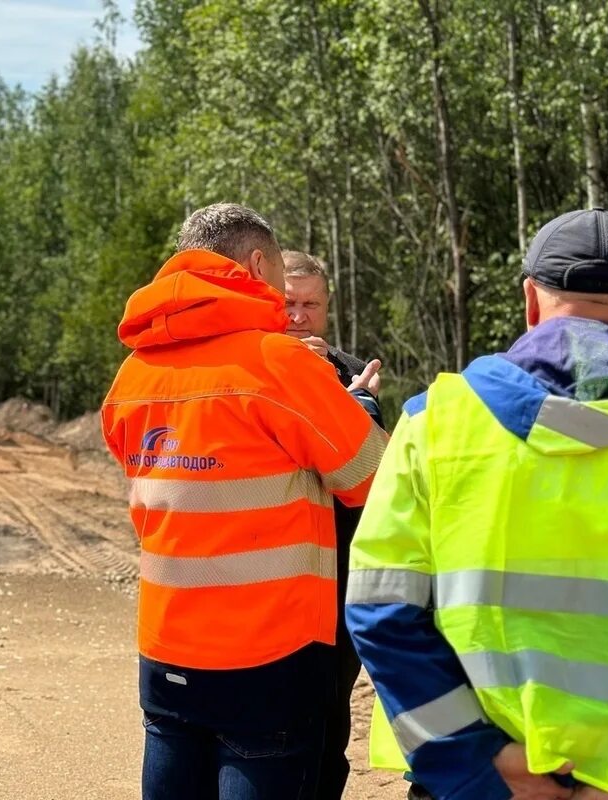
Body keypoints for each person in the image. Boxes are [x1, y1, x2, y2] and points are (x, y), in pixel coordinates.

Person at [345, 208, 608, 800]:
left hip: (479, 781)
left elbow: (381, 611)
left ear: (530, 298)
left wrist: (479, 765)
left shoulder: (436, 424)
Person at [101, 203, 388, 800]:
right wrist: (358, 407)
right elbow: (372, 479)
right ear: (257, 263)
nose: (288, 304)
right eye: (282, 281)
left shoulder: (132, 376)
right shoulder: (280, 365)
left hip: (166, 650)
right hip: (270, 658)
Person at [282, 249, 383, 800]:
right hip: (273, 578)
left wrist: (358, 403)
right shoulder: (247, 366)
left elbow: (369, 475)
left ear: (327, 308)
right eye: (288, 303)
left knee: (329, 718)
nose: (299, 316)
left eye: (310, 305)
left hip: (339, 574)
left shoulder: (348, 370)